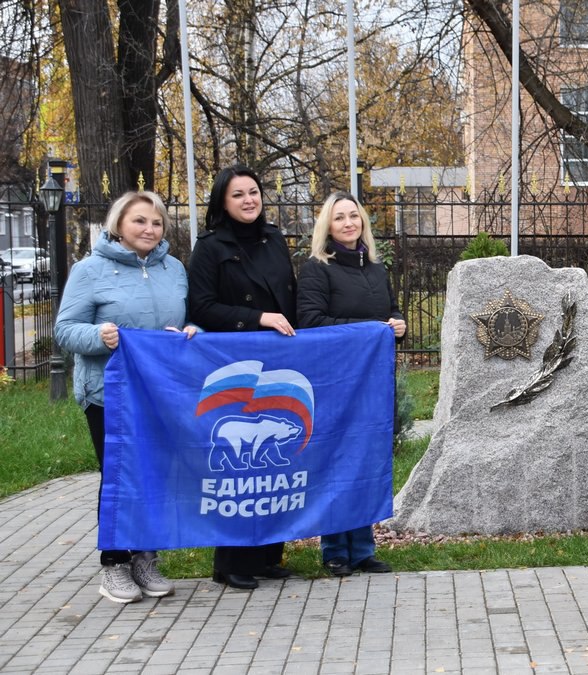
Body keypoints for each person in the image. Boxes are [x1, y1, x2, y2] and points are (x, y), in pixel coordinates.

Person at [55, 191, 198, 603]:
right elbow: (66, 330)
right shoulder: (89, 270)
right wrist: (100, 336)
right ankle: (113, 564)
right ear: (119, 224)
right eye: (139, 221)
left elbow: (187, 320)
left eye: (156, 223)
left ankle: (145, 559)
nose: (149, 229)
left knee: (154, 474)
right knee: (119, 475)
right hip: (108, 392)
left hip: (159, 393)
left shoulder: (173, 269)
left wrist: (192, 333)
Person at [187, 165, 297, 590]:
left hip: (279, 362)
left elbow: (289, 297)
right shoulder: (211, 247)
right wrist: (258, 318)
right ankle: (230, 561)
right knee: (238, 472)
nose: (249, 200)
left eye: (254, 192)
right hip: (234, 365)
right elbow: (201, 307)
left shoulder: (275, 241)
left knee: (273, 465)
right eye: (239, 195)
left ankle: (268, 556)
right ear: (223, 202)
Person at [297, 191, 404, 577]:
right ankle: (334, 550)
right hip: (333, 381)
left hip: (372, 382)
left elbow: (388, 312)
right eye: (339, 217)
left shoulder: (375, 269)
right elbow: (308, 321)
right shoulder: (316, 268)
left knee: (366, 461)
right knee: (336, 463)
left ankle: (362, 548)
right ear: (327, 225)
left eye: (353, 216)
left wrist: (397, 324)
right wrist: (367, 331)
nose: (348, 223)